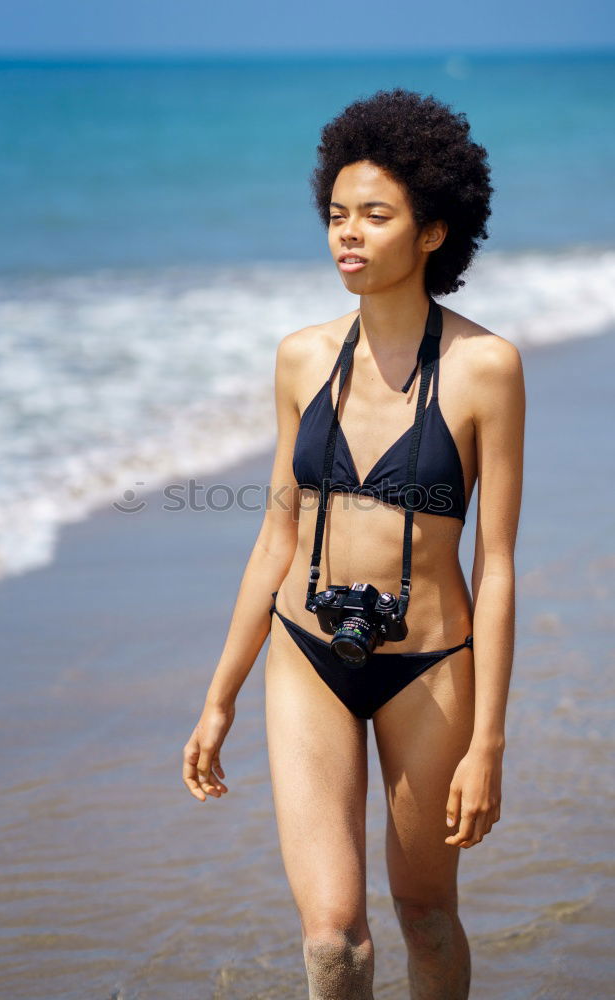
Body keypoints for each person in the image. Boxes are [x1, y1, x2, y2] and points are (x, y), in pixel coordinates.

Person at [182, 88, 525, 1000]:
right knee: (335, 940)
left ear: (433, 232)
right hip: (307, 654)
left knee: (426, 917)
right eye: (338, 215)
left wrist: (490, 738)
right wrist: (220, 697)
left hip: (431, 665)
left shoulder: (487, 367)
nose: (349, 234)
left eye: (376, 215)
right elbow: (276, 536)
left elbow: (496, 566)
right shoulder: (300, 357)